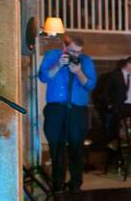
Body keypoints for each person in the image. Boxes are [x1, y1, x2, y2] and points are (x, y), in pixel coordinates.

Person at [38, 35, 97, 193]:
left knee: (76, 146)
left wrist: (78, 72)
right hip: (56, 107)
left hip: (77, 110)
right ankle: (57, 184)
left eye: (79, 52)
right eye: (72, 51)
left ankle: (75, 183)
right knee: (56, 145)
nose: (75, 55)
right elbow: (43, 77)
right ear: (64, 47)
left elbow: (90, 85)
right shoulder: (52, 56)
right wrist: (58, 65)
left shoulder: (86, 61)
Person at [98, 57, 131, 142]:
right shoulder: (114, 75)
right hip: (116, 107)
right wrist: (109, 105)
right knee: (115, 129)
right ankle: (114, 150)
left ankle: (127, 147)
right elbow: (105, 91)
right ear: (128, 64)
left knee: (128, 129)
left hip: (130, 107)